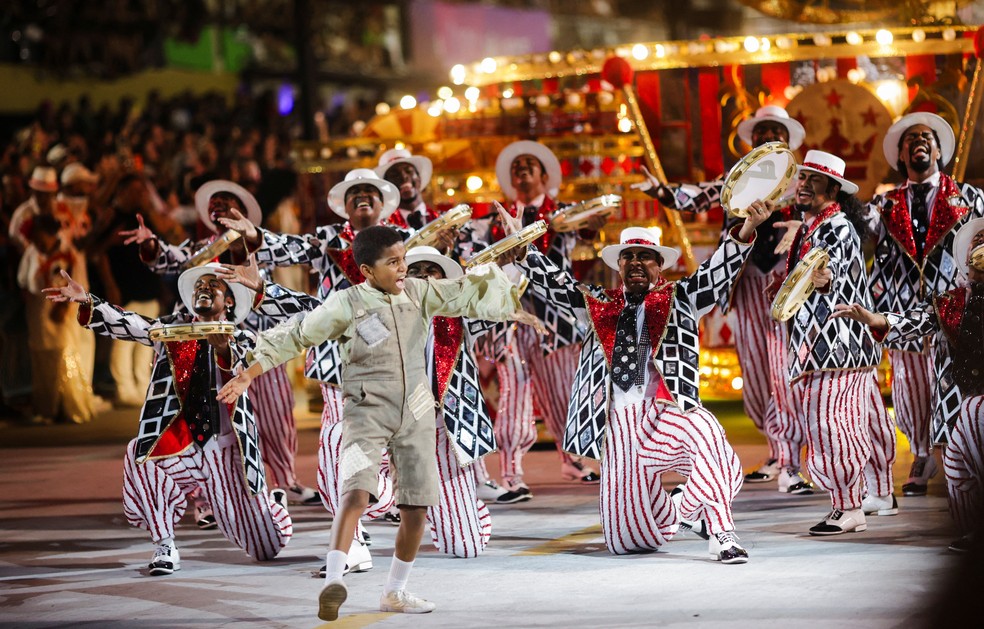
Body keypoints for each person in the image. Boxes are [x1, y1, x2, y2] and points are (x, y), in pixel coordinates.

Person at [217, 225, 534, 621]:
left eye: (404, 260)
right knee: (355, 492)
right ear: (367, 270)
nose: (404, 269)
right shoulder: (347, 303)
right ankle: (335, 579)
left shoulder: (419, 293)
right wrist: (249, 372)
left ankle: (395, 591)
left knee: (416, 507)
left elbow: (467, 294)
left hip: (417, 411)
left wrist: (502, 274)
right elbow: (298, 334)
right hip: (367, 410)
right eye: (393, 263)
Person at [506, 196, 770, 562]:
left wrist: (745, 231)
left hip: (665, 412)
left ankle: (723, 532)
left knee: (709, 436)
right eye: (627, 257)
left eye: (645, 256)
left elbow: (717, 271)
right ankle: (682, 511)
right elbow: (557, 285)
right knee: (628, 543)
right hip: (619, 430)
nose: (636, 263)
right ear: (618, 266)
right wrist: (522, 249)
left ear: (659, 265)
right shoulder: (598, 306)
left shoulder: (684, 297)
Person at [42, 262, 316, 575]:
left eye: (213, 285)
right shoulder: (173, 331)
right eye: (199, 285)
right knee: (139, 453)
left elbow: (312, 314)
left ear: (229, 301)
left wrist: (263, 290)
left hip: (226, 453)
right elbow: (131, 323)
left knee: (266, 547)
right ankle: (164, 545)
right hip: (181, 445)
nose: (204, 288)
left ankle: (274, 502)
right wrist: (87, 300)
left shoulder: (244, 337)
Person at [635, 104, 812, 492]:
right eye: (760, 131)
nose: (767, 137)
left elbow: (822, 216)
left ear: (785, 140)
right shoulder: (736, 179)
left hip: (786, 280)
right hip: (746, 280)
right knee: (754, 369)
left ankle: (788, 460)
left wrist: (803, 225)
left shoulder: (800, 182)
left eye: (774, 132)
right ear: (750, 140)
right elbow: (696, 198)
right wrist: (660, 191)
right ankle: (774, 449)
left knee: (784, 368)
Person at [120, 179, 320, 506]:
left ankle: (286, 481)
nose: (218, 207)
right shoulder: (200, 248)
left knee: (277, 413)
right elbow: (168, 260)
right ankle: (205, 499)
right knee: (207, 416)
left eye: (226, 202)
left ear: (241, 209)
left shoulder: (259, 243)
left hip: (258, 341)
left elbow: (287, 258)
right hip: (207, 346)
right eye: (213, 203)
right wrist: (151, 243)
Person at [457, 140, 607, 501]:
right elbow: (466, 247)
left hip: (557, 320)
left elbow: (592, 221)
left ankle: (571, 459)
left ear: (543, 175)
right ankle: (512, 473)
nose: (522, 170)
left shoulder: (562, 214)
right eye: (516, 166)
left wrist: (598, 220)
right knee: (515, 392)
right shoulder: (492, 219)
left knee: (564, 397)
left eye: (529, 165)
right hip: (510, 319)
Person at [832, 218, 984, 552]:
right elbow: (915, 320)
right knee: (956, 466)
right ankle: (973, 530)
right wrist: (876, 319)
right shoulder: (950, 302)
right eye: (975, 256)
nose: (979, 263)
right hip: (957, 403)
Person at [771, 150, 895, 535]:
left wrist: (824, 279)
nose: (803, 185)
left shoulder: (835, 226)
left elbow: (835, 273)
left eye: (814, 180)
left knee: (830, 423)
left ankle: (848, 507)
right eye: (802, 178)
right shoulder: (815, 225)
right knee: (863, 418)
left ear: (833, 189)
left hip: (834, 347)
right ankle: (880, 494)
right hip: (839, 346)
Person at [864, 112, 984, 497]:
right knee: (908, 391)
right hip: (900, 307)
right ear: (900, 154)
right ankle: (920, 452)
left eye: (926, 137)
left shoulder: (969, 198)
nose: (919, 141)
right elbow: (856, 238)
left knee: (949, 385)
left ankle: (951, 456)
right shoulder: (882, 204)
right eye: (910, 138)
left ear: (938, 150)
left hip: (953, 306)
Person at [375, 148, 439, 230]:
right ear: (388, 186)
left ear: (419, 178)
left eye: (408, 171)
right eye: (395, 175)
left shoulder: (443, 220)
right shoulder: (384, 228)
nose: (403, 176)